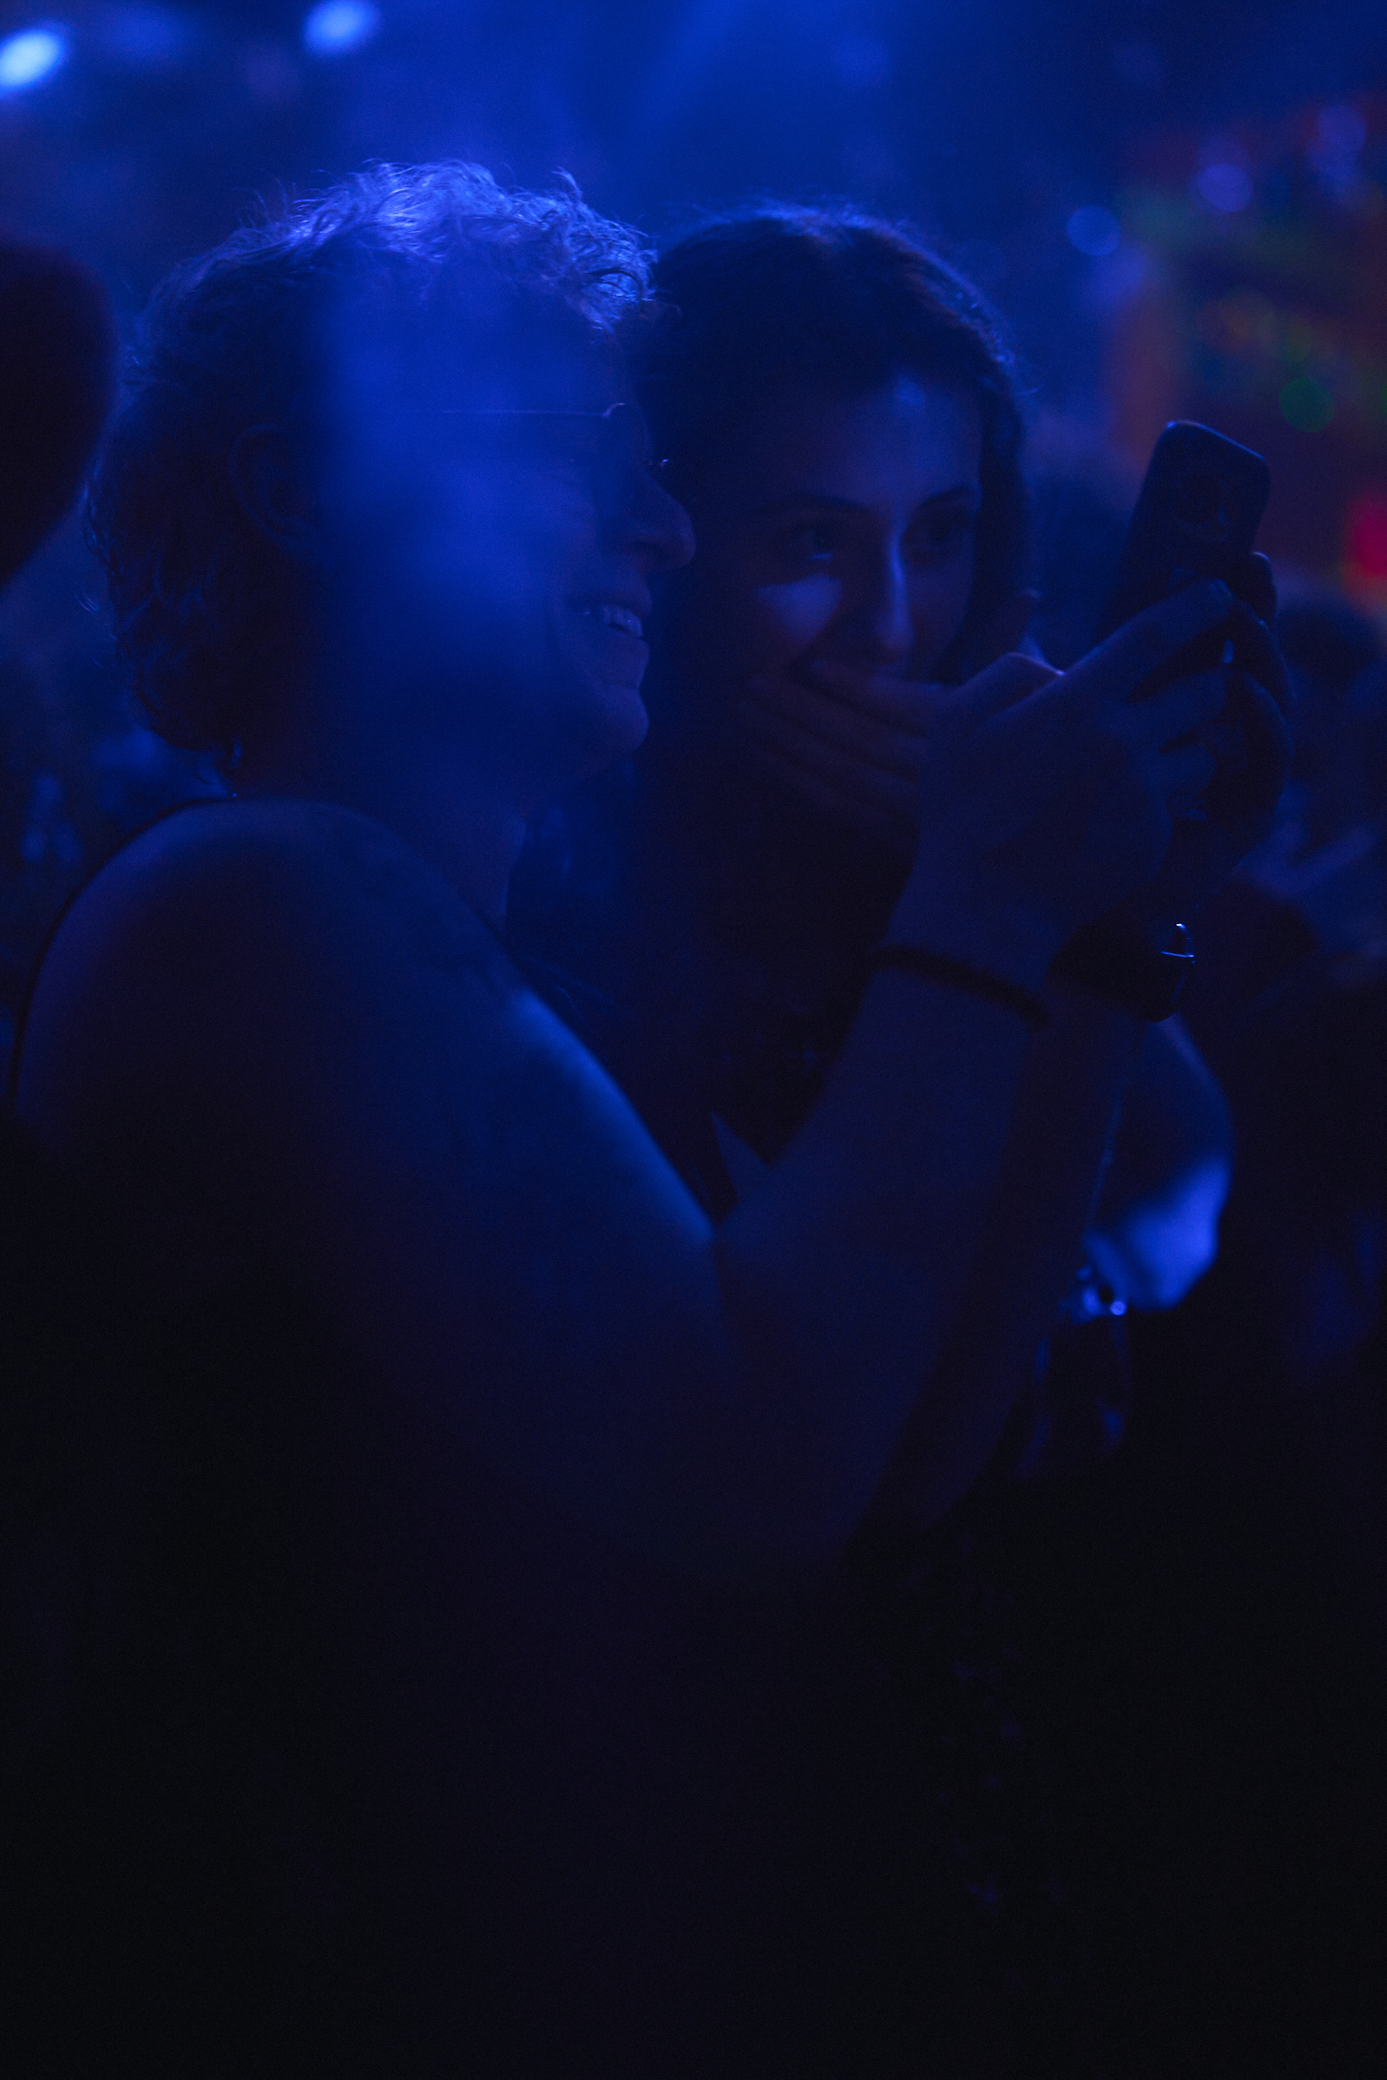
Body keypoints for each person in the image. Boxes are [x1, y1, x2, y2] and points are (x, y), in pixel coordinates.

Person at [10, 166, 1279, 2075]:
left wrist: (1103, 928)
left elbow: (902, 1474)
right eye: (574, 451)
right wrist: (985, 889)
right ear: (306, 492)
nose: (664, 529)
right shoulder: (256, 897)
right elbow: (762, 1466)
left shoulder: (476, 959)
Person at [509, 206, 1290, 2072]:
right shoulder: (528, 893)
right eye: (808, 545)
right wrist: (1015, 900)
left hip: (1030, 1747)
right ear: (651, 538)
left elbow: (1185, 1183)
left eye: (938, 536)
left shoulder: (941, 826)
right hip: (699, 1841)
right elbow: (877, 1482)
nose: (888, 626)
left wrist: (1114, 897)